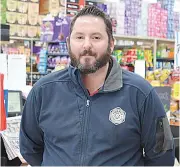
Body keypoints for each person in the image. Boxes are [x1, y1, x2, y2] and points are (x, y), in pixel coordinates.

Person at [19, 6, 175, 166]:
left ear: (111, 44)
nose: (87, 45)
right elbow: (29, 149)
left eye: (96, 37)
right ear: (68, 43)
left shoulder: (141, 93)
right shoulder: (43, 91)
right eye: (79, 37)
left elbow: (162, 156)